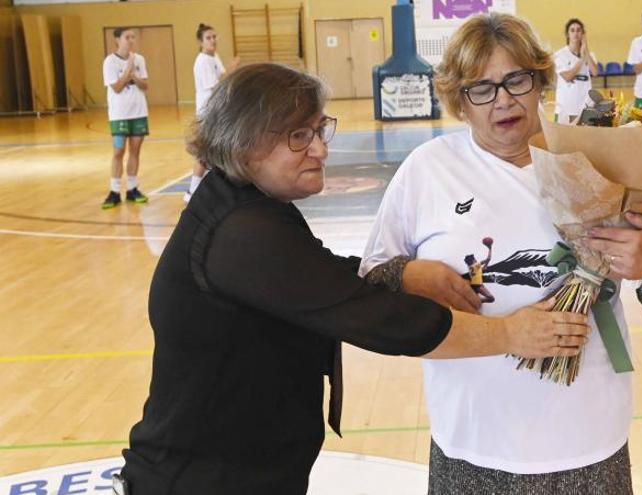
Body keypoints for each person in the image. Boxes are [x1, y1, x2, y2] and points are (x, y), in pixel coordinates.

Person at [116, 63, 590, 495]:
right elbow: (378, 320)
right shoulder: (243, 234)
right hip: (201, 481)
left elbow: (317, 275)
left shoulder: (244, 205)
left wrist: (405, 275)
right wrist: (510, 332)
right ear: (244, 142)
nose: (321, 149)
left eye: (320, 130)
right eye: (299, 137)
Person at [360, 13, 642, 494]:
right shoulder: (428, 170)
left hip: (586, 437)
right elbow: (372, 281)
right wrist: (412, 274)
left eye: (516, 80)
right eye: (481, 88)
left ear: (540, 81)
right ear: (459, 100)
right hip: (472, 440)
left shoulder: (597, 156)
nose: (503, 100)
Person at [185, 22, 240, 202]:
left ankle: (212, 187)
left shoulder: (214, 56)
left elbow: (225, 79)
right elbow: (216, 85)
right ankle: (193, 190)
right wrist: (232, 69)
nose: (213, 40)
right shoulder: (202, 61)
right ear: (201, 42)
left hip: (217, 109)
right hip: (206, 111)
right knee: (204, 152)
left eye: (214, 37)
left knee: (216, 150)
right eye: (208, 38)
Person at [101, 27, 149, 209]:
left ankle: (132, 189)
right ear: (117, 40)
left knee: (135, 151)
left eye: (132, 37)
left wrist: (135, 75)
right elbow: (117, 87)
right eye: (126, 37)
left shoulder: (140, 59)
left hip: (139, 112)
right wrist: (128, 71)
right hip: (119, 114)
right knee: (118, 152)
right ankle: (114, 191)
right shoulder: (110, 62)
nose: (130, 40)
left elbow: (145, 85)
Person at [554, 18, 599, 124]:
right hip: (565, 110)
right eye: (572, 30)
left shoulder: (590, 55)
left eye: (579, 30)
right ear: (567, 34)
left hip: (584, 108)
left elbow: (595, 72)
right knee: (563, 139)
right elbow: (568, 77)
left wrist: (586, 50)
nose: (576, 33)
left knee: (583, 139)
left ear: (583, 34)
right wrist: (582, 59)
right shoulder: (560, 55)